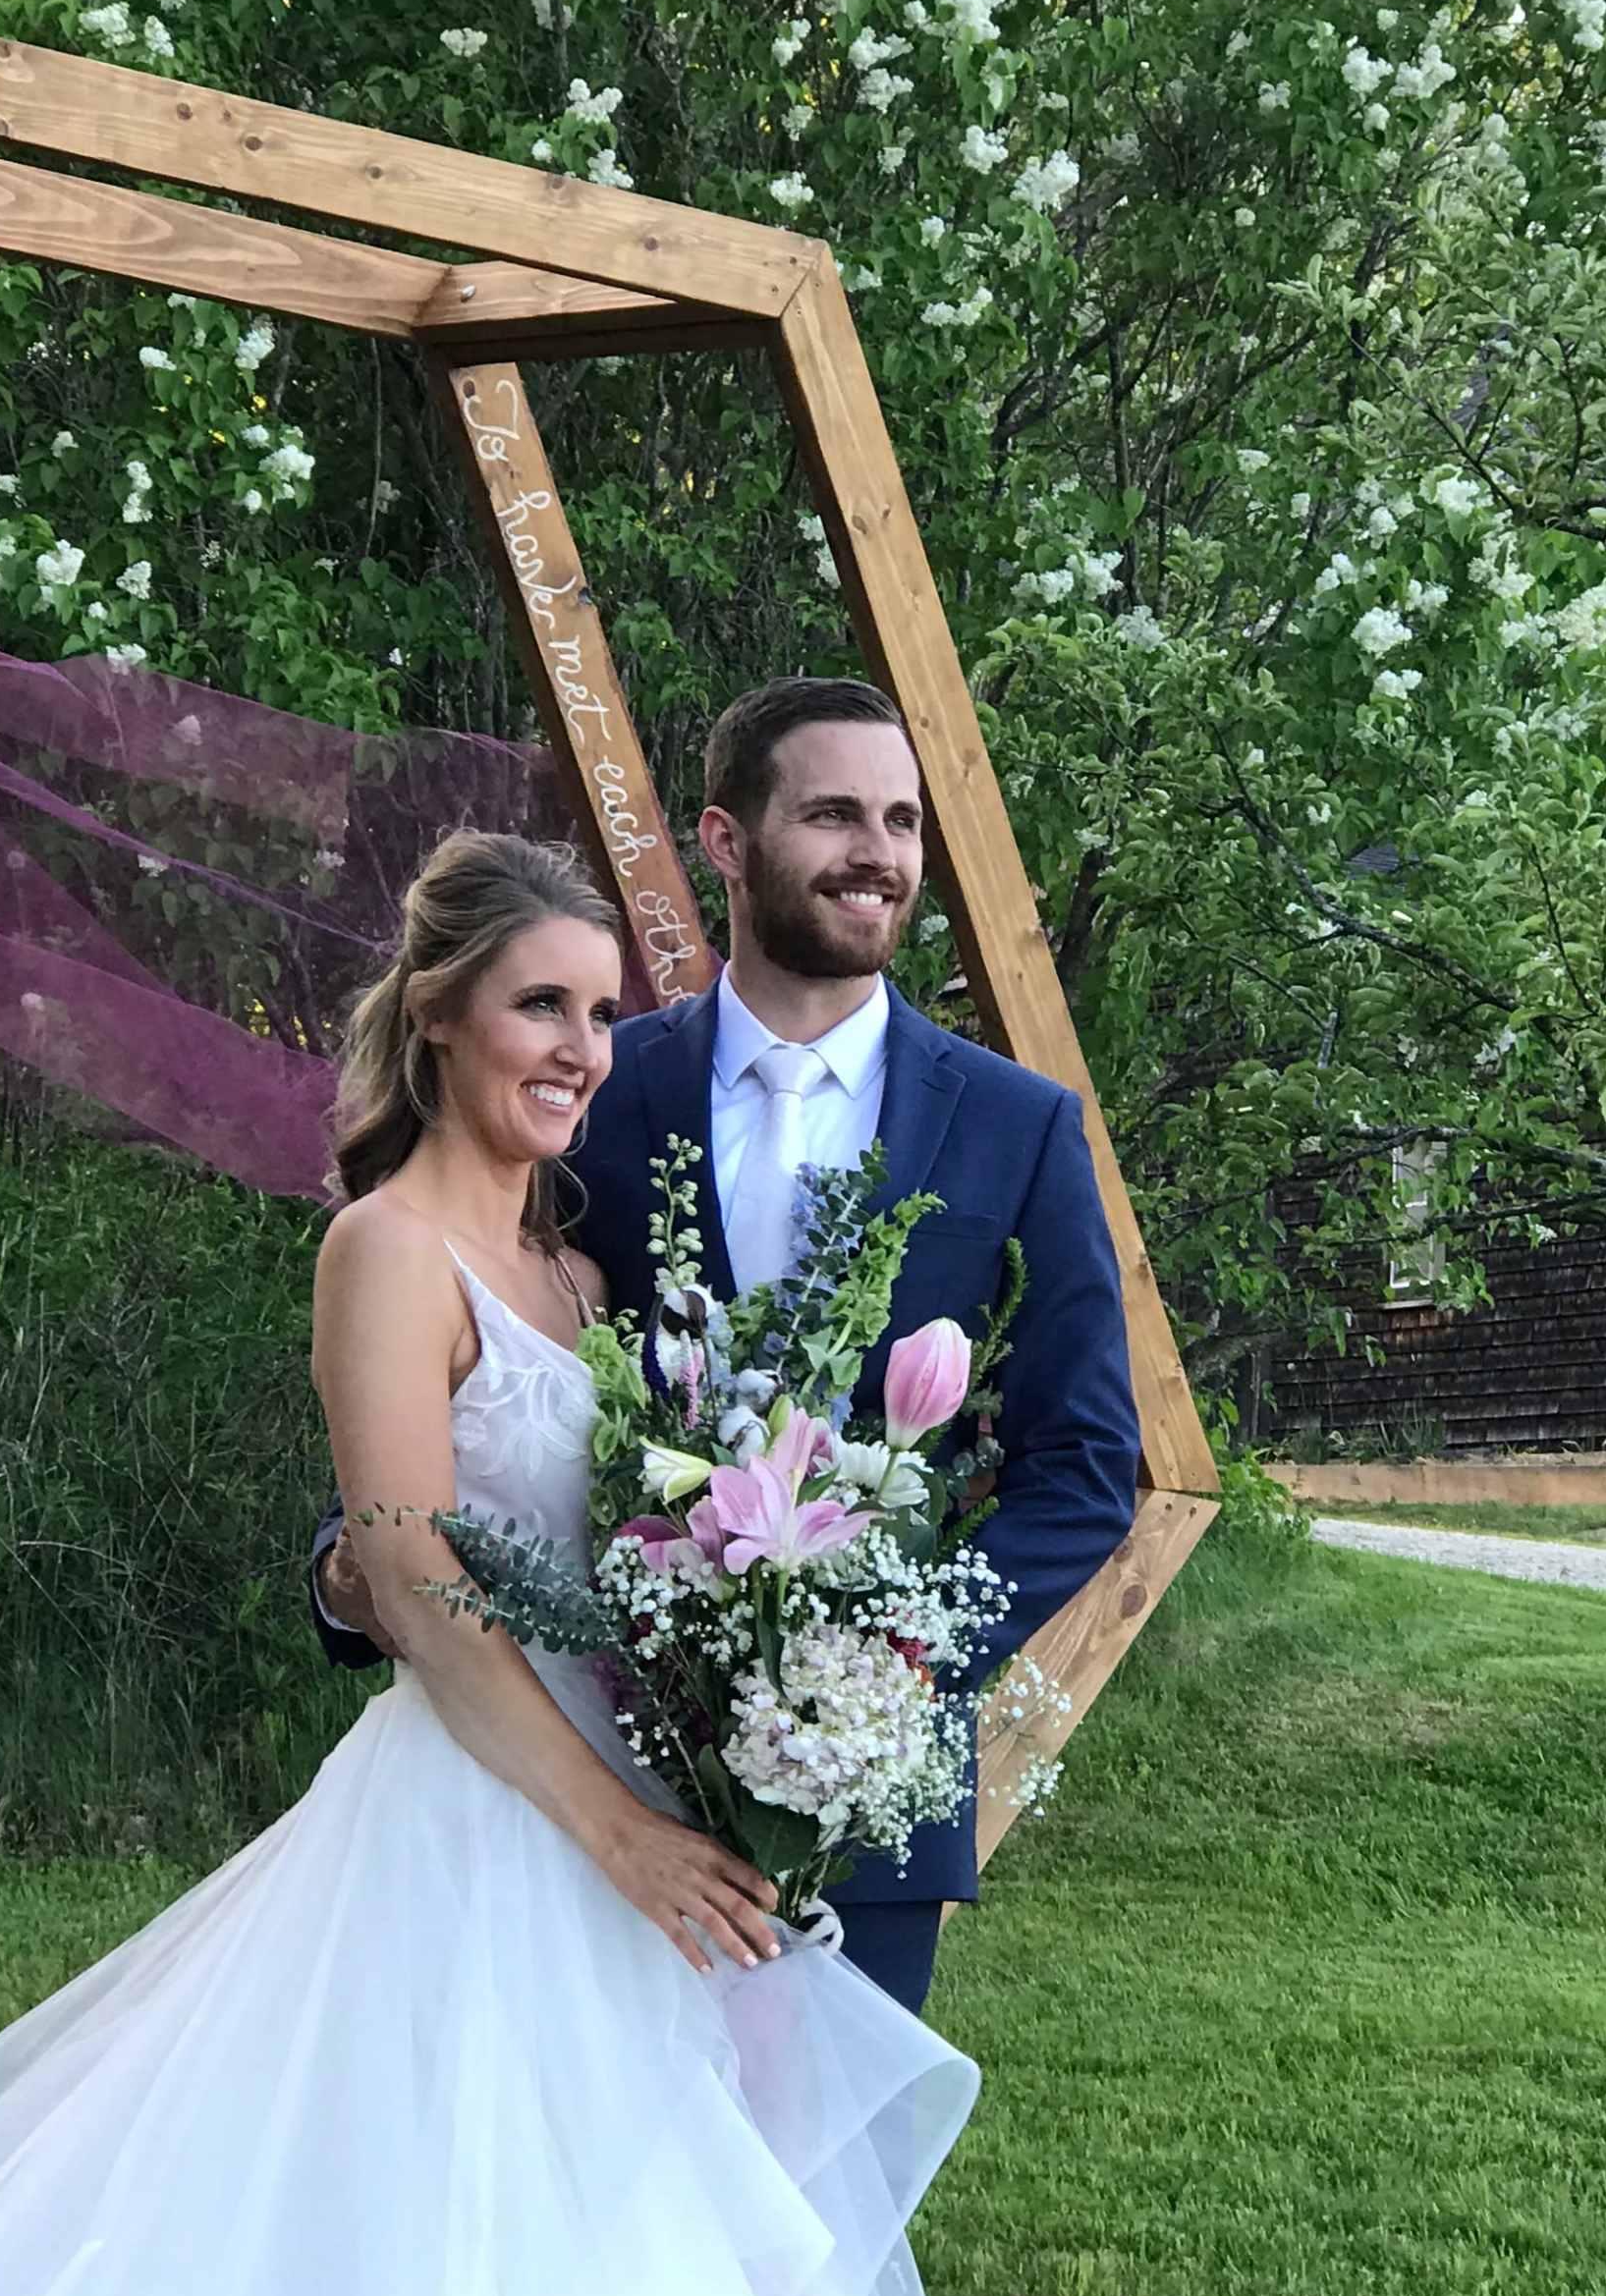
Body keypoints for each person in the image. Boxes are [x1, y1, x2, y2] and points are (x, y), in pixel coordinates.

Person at [0, 835, 981, 2296]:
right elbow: (411, 1580)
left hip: (641, 1829)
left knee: (636, 2251)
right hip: (481, 1827)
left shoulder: (586, 1281)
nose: (581, 1053)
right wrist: (618, 1835)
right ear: (441, 1015)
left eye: (601, 1017)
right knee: (426, 2249)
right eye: (542, 1006)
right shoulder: (386, 1252)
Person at [313, 676, 1142, 2016]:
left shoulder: (1017, 1127)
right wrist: (354, 1566)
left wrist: (879, 1668)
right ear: (726, 840)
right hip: (599, 1783)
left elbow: (1088, 1463)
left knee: (823, 2215)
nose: (876, 851)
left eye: (901, 820)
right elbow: (465, 1340)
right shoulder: (594, 1083)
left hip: (863, 1814)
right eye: (831, 813)